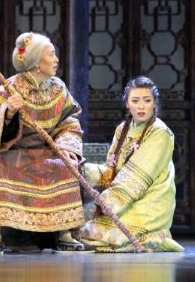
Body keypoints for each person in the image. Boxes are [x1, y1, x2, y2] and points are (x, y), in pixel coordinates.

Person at [0, 32, 87, 254]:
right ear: (36, 64)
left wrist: (66, 146)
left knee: (65, 167)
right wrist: (8, 112)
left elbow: (70, 120)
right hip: (13, 151)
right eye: (51, 55)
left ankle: (65, 234)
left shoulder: (59, 88)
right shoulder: (12, 86)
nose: (56, 60)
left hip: (47, 151)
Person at [78, 76, 184, 252]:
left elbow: (136, 178)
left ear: (154, 103)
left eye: (147, 100)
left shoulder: (160, 133)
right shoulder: (123, 129)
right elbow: (111, 171)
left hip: (150, 200)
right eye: (135, 101)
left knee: (93, 233)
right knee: (78, 227)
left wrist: (104, 202)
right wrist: (82, 171)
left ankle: (155, 236)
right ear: (127, 104)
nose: (141, 106)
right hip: (123, 197)